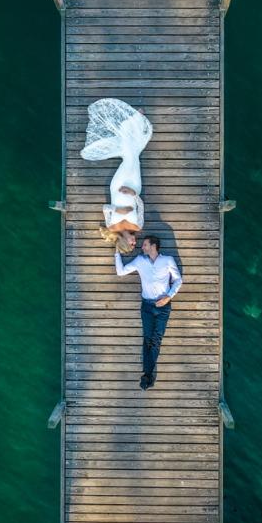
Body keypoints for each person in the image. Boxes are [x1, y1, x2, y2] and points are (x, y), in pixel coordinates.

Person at [79, 98, 152, 254]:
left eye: (132, 245)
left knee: (129, 158)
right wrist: (133, 193)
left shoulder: (111, 226)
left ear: (124, 243)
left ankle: (132, 122)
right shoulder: (138, 226)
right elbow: (141, 207)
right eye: (135, 244)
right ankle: (130, 124)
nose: (135, 242)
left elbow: (105, 208)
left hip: (117, 186)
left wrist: (118, 211)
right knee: (133, 158)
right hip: (134, 187)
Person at [115, 235, 183, 390]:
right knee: (147, 339)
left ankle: (148, 374)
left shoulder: (168, 260)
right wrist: (117, 251)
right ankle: (148, 374)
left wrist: (168, 297)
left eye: (145, 245)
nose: (142, 247)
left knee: (156, 339)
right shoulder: (140, 261)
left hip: (163, 306)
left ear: (153, 246)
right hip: (146, 306)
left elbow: (178, 280)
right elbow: (120, 272)